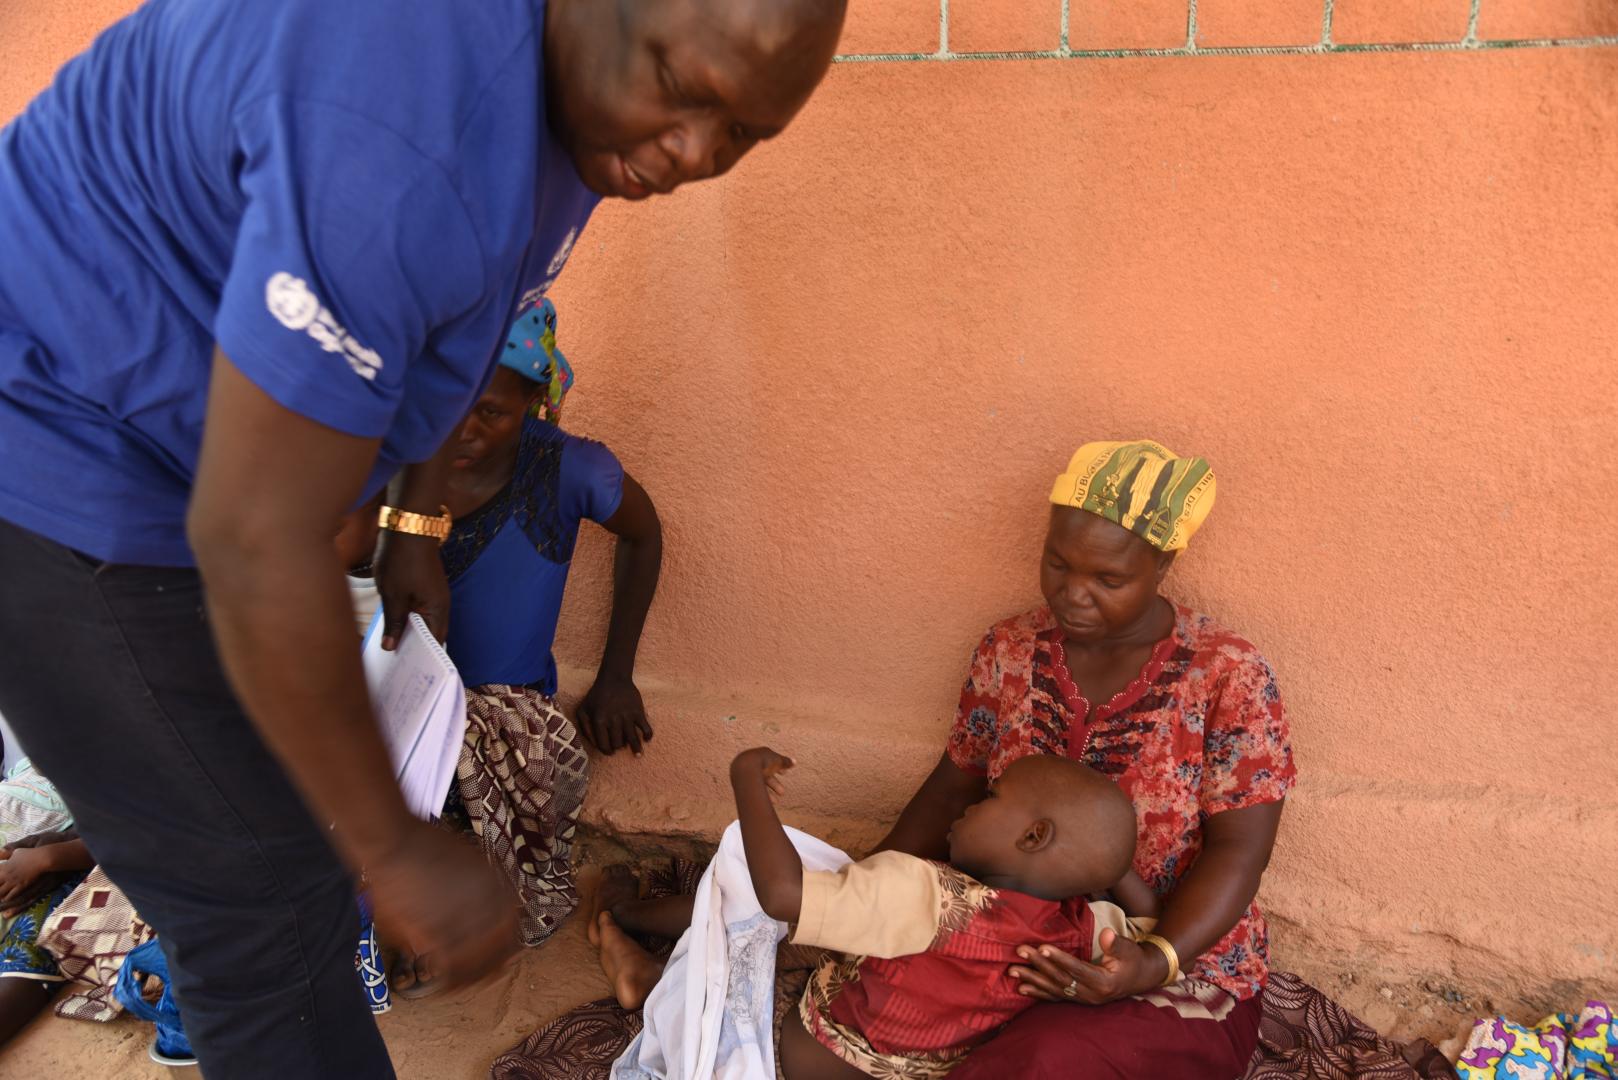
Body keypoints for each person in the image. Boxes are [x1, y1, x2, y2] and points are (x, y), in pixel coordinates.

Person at [0, 0, 845, 1075]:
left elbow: (445, 325)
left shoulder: (564, 106)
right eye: (681, 90)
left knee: (280, 876)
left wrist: (406, 510)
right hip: (52, 444)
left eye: (742, 134)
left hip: (180, 459)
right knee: (256, 910)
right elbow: (261, 538)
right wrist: (397, 848)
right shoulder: (406, 133)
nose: (693, 153)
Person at [873, 440, 1296, 1079]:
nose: (1072, 594)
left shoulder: (1226, 674)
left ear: (1164, 562)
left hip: (1169, 965)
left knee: (1048, 1061)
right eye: (1058, 564)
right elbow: (950, 789)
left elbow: (1240, 850)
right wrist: (871, 881)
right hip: (1003, 938)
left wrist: (1155, 959)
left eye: (1108, 579)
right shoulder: (1010, 649)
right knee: (857, 1021)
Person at [390, 299, 663, 999]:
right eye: (444, 405)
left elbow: (646, 532)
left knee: (524, 767)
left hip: (504, 720)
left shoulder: (570, 471)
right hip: (396, 700)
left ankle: (444, 918)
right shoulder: (391, 460)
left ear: (535, 401)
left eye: (490, 412)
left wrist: (616, 676)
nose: (462, 431)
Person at [596, 750, 1161, 1079]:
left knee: (744, 908)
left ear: (1033, 835)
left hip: (797, 1050)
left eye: (990, 798)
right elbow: (1150, 921)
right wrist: (1102, 868)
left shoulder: (921, 892)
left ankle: (638, 949)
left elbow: (781, 892)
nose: (968, 806)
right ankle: (647, 947)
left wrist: (747, 781)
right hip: (900, 1072)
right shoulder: (1085, 934)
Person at [0, 759, 94, 1047]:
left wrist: (46, 859)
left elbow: (124, 836)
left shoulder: (101, 770)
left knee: (32, 942)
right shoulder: (23, 769)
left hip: (34, 879)